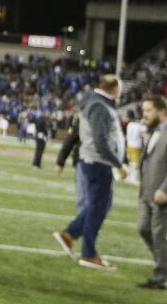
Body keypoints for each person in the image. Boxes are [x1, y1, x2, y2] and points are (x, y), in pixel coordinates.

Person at [54, 75, 126, 270]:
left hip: (97, 161)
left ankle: (70, 234)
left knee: (99, 205)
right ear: (114, 89)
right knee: (98, 206)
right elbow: (100, 140)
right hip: (97, 161)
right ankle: (88, 253)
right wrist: (118, 164)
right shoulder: (99, 105)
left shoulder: (98, 103)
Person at [135, 95, 167, 290]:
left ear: (162, 112)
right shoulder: (156, 131)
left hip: (163, 195)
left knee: (159, 235)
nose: (144, 114)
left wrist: (165, 189)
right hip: (148, 192)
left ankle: (160, 277)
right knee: (143, 229)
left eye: (148, 110)